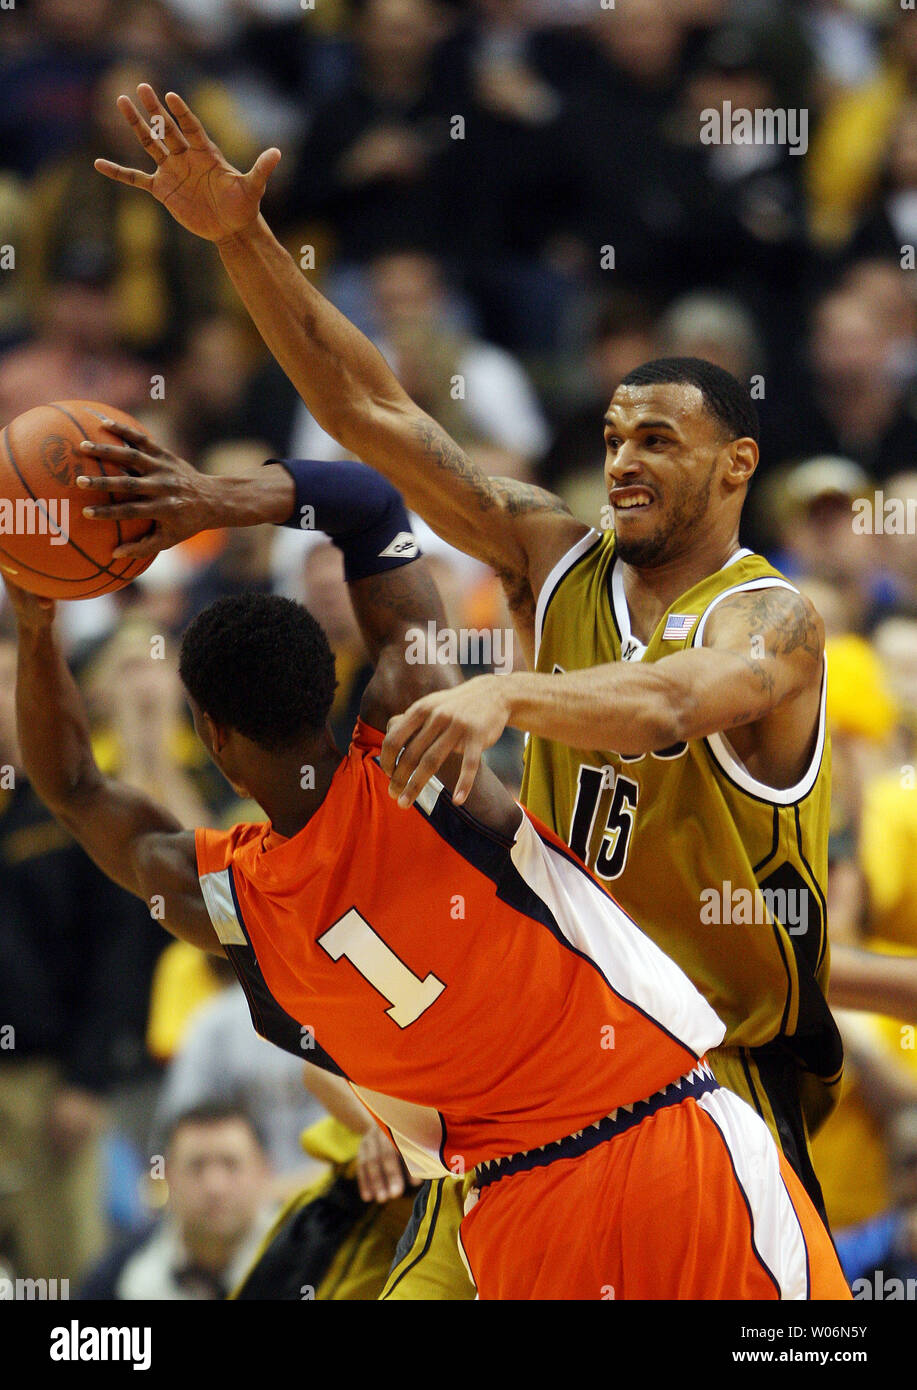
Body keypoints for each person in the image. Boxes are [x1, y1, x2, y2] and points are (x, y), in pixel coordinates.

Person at [87, 85, 842, 1218]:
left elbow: (669, 702)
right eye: (609, 437)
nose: (621, 458)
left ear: (737, 463)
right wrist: (242, 238)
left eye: (656, 438)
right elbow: (366, 410)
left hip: (713, 1067)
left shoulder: (771, 619)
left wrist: (506, 692)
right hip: (534, 1052)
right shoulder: (552, 553)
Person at [6, 457, 848, 1300]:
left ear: (211, 735)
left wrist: (37, 620)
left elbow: (74, 785)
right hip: (667, 1145)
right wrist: (211, 502)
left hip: (517, 1214)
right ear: (330, 683)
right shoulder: (425, 754)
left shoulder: (227, 904)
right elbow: (371, 506)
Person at [77, 1103, 275, 1300]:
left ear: (264, 1171)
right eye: (196, 1167)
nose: (215, 1186)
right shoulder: (119, 1275)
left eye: (231, 1164)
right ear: (167, 1178)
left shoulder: (302, 1260)